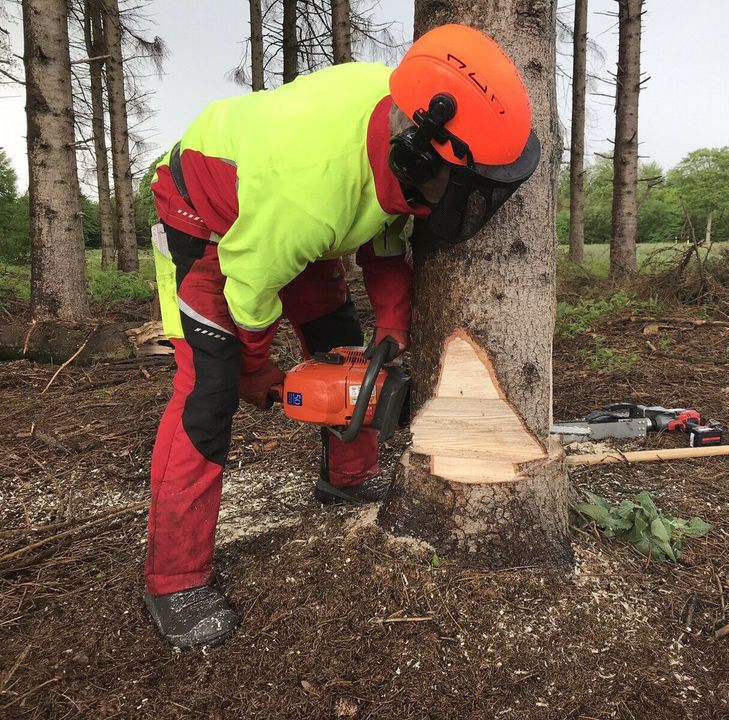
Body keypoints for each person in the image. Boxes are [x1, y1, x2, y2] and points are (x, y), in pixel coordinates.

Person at [144, 23, 541, 649]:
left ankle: (347, 479)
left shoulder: (397, 130)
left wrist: (392, 326)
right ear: (416, 152)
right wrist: (254, 371)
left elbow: (382, 233)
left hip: (288, 212)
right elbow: (249, 286)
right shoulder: (308, 194)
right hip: (209, 216)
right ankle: (172, 578)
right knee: (208, 392)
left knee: (341, 340)